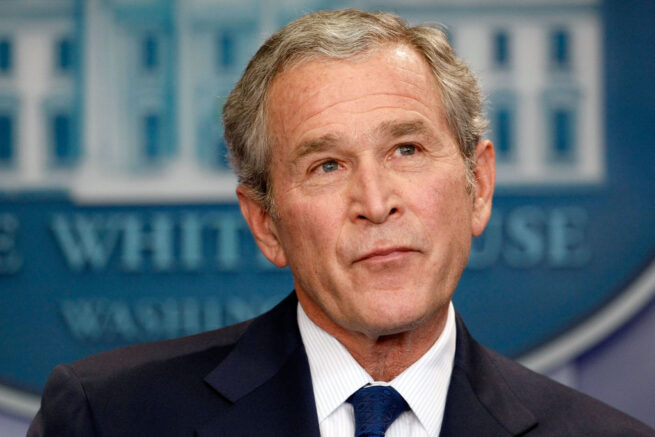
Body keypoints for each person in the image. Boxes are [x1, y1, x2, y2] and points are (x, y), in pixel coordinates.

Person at [29, 9, 654, 437]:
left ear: (478, 186)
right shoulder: (110, 418)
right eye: (327, 165)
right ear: (266, 222)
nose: (376, 201)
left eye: (406, 149)